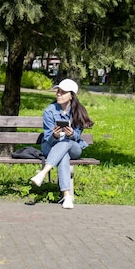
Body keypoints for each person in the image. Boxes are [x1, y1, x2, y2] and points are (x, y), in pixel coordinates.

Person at [30, 79, 94, 209]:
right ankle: (67, 196)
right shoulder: (50, 110)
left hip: (73, 147)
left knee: (66, 143)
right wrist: (54, 135)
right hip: (51, 146)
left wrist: (72, 134)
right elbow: (48, 138)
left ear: (71, 95)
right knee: (63, 156)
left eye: (63, 92)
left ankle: (42, 173)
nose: (58, 94)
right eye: (58, 91)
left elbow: (77, 138)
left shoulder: (78, 112)